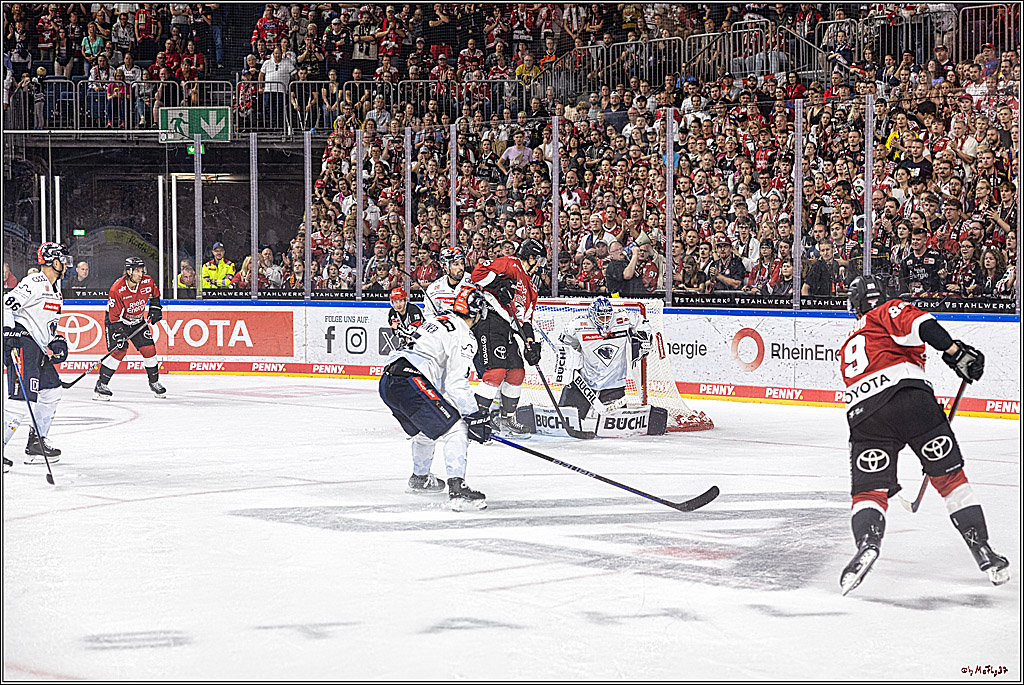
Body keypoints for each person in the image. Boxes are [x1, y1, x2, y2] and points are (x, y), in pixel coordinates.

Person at [838, 275, 1009, 595]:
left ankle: (867, 544)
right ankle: (982, 550)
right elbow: (924, 325)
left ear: (855, 304)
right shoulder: (887, 310)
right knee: (950, 479)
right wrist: (956, 352)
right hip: (910, 399)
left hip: (864, 416)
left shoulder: (848, 341)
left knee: (869, 491)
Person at [378, 286, 492, 511]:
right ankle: (458, 489)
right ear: (477, 313)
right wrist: (473, 416)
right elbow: (456, 384)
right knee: (457, 428)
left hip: (389, 381)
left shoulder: (439, 320)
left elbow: (439, 382)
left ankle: (420, 478)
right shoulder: (465, 336)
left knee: (426, 429)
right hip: (412, 381)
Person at [2, 242, 71, 469]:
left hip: (38, 348)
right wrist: (7, 334)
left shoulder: (56, 290)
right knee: (22, 401)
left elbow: (47, 324)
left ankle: (36, 443)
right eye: (63, 260)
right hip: (23, 344)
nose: (66, 264)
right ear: (53, 262)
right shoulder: (35, 282)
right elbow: (6, 305)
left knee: (52, 390)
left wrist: (57, 341)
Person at [469, 252, 541, 437]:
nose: (540, 264)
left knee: (517, 372)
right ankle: (478, 419)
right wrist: (498, 284)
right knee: (496, 372)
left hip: (508, 327)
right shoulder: (512, 263)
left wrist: (530, 344)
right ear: (531, 256)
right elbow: (478, 273)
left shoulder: (532, 288)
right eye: (539, 259)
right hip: (491, 320)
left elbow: (525, 320)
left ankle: (507, 418)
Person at [555, 296, 652, 422]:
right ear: (592, 316)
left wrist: (644, 338)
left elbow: (642, 322)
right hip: (583, 382)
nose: (605, 321)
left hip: (614, 383)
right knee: (565, 421)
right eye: (601, 317)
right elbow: (565, 343)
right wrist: (568, 358)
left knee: (617, 427)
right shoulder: (577, 324)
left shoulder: (623, 318)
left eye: (608, 317)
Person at [94, 257, 166, 401]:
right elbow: (114, 317)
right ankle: (101, 385)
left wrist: (155, 308)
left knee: (149, 349)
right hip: (117, 322)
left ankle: (154, 382)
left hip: (138, 321)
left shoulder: (147, 281)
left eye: (142, 270)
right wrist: (120, 334)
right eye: (137, 271)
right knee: (120, 351)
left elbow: (155, 295)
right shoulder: (117, 289)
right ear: (128, 272)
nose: (141, 274)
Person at [424, 247, 472, 316]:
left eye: (462, 263)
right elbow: (429, 315)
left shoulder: (474, 284)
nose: (461, 268)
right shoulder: (434, 289)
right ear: (446, 267)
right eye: (456, 264)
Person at [386, 286, 424, 350]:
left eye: (400, 301)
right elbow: (396, 332)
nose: (398, 305)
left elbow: (413, 333)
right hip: (407, 342)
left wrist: (398, 327)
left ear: (405, 300)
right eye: (395, 302)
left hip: (423, 342)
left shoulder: (414, 310)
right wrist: (405, 338)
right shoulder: (392, 313)